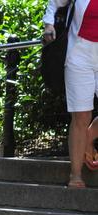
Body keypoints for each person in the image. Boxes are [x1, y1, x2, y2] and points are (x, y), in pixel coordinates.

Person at [43, 0, 98, 187]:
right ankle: (76, 175)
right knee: (81, 116)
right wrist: (48, 24)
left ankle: (89, 136)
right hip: (78, 54)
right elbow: (55, 3)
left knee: (86, 124)